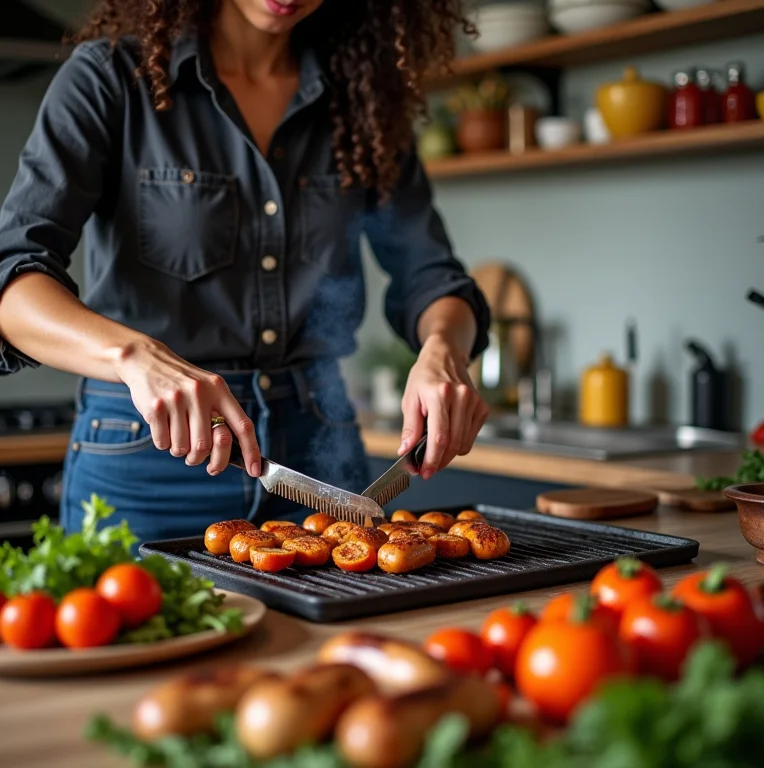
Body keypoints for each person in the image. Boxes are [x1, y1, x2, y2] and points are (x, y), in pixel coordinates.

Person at [0, 0, 490, 544]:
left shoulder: (364, 99)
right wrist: (134, 355)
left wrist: (444, 349)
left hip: (318, 454)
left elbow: (433, 277)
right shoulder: (110, 77)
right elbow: (14, 284)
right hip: (149, 456)